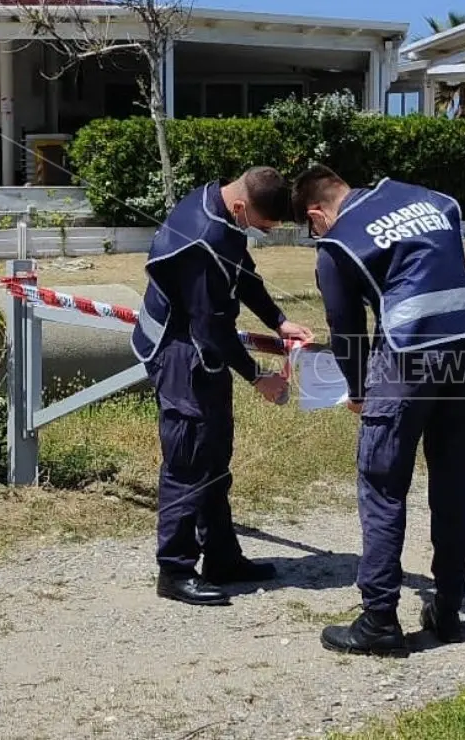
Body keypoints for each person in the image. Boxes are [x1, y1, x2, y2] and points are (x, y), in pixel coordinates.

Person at [290, 165, 465, 657]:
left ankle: (379, 621)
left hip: (406, 361)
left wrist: (359, 389)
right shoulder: (427, 197)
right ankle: (447, 610)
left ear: (317, 213)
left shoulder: (338, 243)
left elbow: (345, 326)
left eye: (311, 226)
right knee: (453, 481)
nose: (317, 233)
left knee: (382, 486)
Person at [131, 166, 314, 607]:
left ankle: (221, 557)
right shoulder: (204, 241)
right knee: (188, 459)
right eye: (263, 224)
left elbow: (243, 270)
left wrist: (278, 319)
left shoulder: (220, 204)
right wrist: (258, 378)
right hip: (179, 350)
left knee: (215, 452)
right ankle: (174, 570)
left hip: (201, 346)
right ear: (240, 206)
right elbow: (212, 329)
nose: (264, 232)